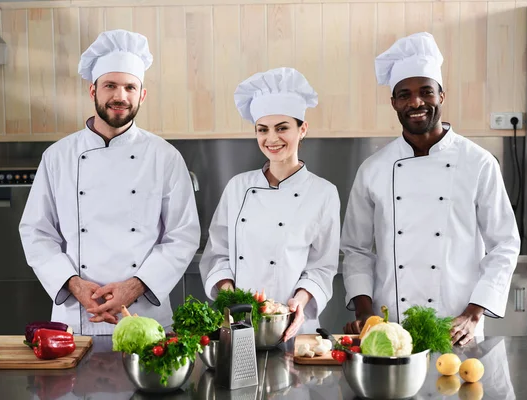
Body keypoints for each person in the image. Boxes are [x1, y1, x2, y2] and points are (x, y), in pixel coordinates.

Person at [341, 32, 520, 345]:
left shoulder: (478, 162)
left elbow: (504, 244)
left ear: (442, 96)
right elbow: (355, 249)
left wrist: (473, 313)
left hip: (457, 327)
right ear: (393, 102)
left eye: (426, 91)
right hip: (389, 327)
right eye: (405, 94)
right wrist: (364, 312)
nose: (416, 102)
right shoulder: (373, 169)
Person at [19, 30, 200, 335]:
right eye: (110, 86)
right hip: (78, 316)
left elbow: (183, 236)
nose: (120, 96)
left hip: (143, 315)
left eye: (130, 87)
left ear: (142, 94)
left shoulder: (165, 157)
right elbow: (36, 232)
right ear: (93, 91)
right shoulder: (58, 157)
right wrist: (73, 284)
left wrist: (135, 286)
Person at [199, 67, 340, 340]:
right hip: (238, 322)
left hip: (292, 325)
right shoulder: (238, 187)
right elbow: (217, 253)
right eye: (262, 130)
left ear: (303, 129)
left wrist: (299, 301)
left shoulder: (323, 193)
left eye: (282, 128)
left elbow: (322, 266)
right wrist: (229, 295)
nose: (272, 139)